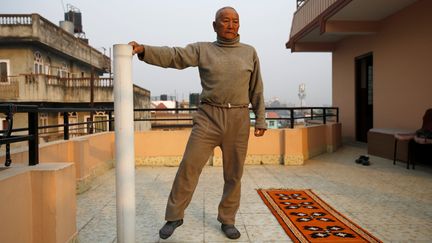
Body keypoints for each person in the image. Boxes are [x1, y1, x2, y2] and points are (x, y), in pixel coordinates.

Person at [129, 6, 266, 240]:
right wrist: (144, 50)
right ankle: (174, 216)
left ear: (239, 25)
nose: (231, 25)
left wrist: (260, 118)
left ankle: (227, 219)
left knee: (234, 174)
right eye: (225, 21)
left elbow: (256, 88)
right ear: (215, 25)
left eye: (235, 21)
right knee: (189, 165)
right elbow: (175, 56)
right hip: (208, 117)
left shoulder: (249, 52)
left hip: (238, 119)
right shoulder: (203, 49)